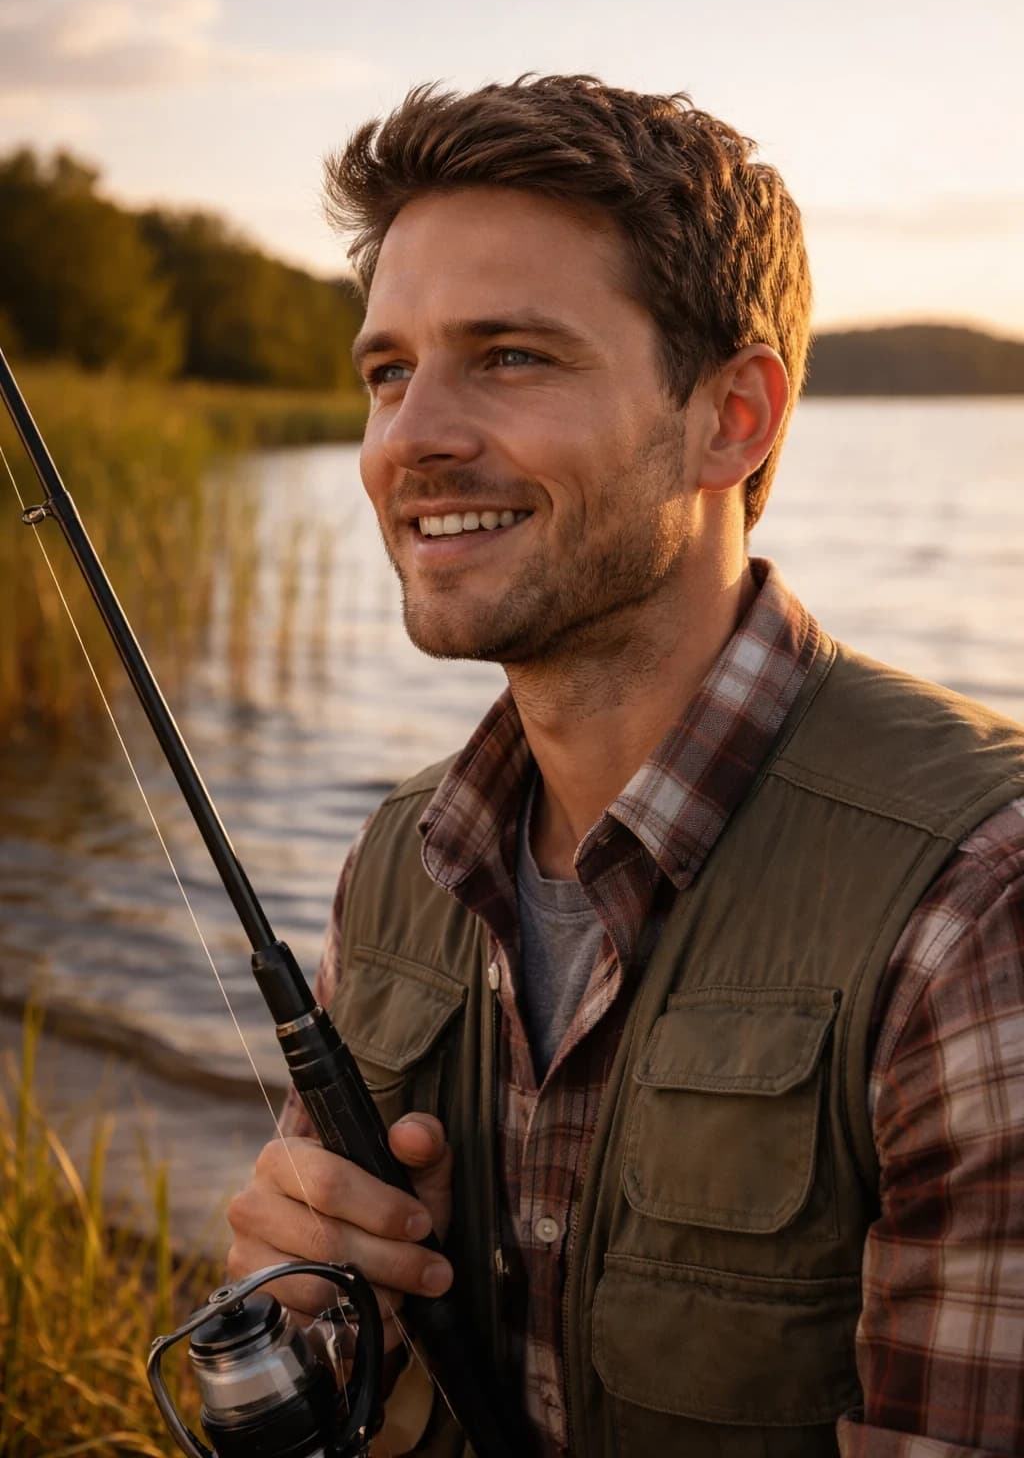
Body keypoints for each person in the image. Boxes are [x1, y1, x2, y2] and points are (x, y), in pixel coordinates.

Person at [226, 76, 1024, 1457]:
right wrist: (291, 1304)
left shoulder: (979, 901)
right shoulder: (399, 864)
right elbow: (331, 1347)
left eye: (514, 356)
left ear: (735, 416)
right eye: (387, 371)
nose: (409, 437)